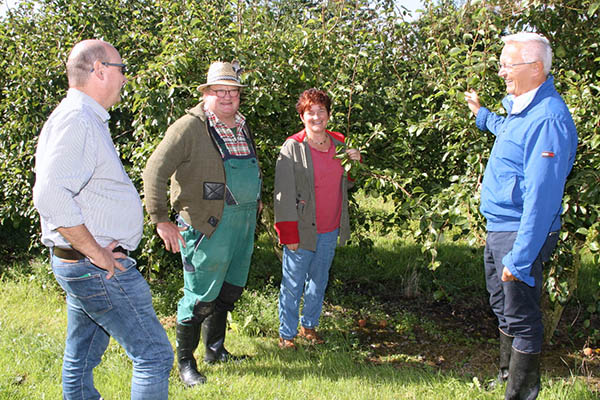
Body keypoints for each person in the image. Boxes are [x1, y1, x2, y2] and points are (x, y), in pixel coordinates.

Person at [32, 39, 174, 400]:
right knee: (154, 355)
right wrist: (96, 252)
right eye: (121, 69)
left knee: (81, 357)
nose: (124, 79)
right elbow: (50, 194)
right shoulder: (78, 120)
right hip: (98, 268)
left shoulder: (80, 117)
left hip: (83, 266)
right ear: (99, 70)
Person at [464, 32, 577, 400]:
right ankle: (505, 377)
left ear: (535, 68)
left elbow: (542, 200)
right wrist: (482, 115)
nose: (501, 72)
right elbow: (507, 132)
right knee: (502, 305)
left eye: (507, 65)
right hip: (500, 226)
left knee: (523, 318)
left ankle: (521, 393)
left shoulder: (547, 118)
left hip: (519, 232)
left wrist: (522, 256)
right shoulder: (522, 109)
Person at [143, 61, 261, 387]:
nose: (227, 97)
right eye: (219, 91)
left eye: (233, 92)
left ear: (239, 96)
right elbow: (154, 170)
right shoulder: (189, 127)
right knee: (199, 299)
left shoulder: (241, 125)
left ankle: (215, 349)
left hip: (242, 225)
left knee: (228, 291)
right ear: (206, 94)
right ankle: (185, 364)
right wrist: (160, 219)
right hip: (206, 226)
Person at [274, 88, 361, 349]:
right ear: (302, 116)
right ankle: (286, 334)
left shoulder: (340, 143)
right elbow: (282, 193)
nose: (316, 116)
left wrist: (355, 163)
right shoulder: (293, 146)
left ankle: (308, 326)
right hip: (301, 231)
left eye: (320, 111)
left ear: (328, 114)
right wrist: (288, 234)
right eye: (309, 112)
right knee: (292, 284)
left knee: (319, 280)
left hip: (329, 228)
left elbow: (349, 182)